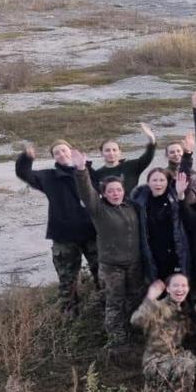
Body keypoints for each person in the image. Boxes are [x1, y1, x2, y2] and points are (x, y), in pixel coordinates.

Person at [16, 141, 99, 315]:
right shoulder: (49, 177)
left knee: (101, 273)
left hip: (92, 232)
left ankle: (102, 313)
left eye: (64, 150)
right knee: (67, 281)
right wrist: (27, 157)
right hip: (64, 236)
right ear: (54, 157)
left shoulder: (89, 171)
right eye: (57, 153)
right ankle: (70, 318)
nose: (62, 154)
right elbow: (24, 173)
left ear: (71, 151)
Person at [72, 149, 142, 351]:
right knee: (115, 303)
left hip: (134, 264)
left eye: (118, 190)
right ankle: (117, 342)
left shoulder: (130, 206)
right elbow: (86, 192)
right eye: (110, 191)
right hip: (112, 267)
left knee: (134, 299)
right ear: (103, 192)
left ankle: (133, 333)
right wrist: (81, 170)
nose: (115, 193)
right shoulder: (99, 209)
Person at [130, 276, 196, 392]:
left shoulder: (182, 309)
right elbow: (135, 321)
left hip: (177, 355)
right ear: (168, 289)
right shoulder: (158, 306)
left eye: (184, 286)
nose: (180, 289)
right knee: (186, 365)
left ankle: (182, 389)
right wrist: (149, 299)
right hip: (156, 361)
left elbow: (190, 334)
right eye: (176, 285)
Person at [131, 168, 190, 283]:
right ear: (148, 182)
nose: (158, 184)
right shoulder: (140, 202)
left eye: (162, 180)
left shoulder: (174, 197)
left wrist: (181, 194)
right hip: (153, 252)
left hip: (175, 251)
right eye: (154, 180)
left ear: (167, 182)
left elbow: (186, 215)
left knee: (178, 284)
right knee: (157, 285)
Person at [92, 123, 157, 194]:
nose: (111, 153)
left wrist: (152, 140)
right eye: (107, 150)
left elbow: (147, 158)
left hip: (130, 204)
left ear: (120, 152)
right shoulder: (98, 174)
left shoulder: (130, 166)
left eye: (114, 150)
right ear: (101, 153)